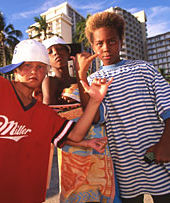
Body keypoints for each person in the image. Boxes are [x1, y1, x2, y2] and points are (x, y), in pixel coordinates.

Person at [0, 39, 111, 203]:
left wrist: (94, 101)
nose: (34, 71)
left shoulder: (44, 113)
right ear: (15, 68)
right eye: (27, 66)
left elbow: (76, 135)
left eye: (41, 67)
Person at [74, 11, 170, 203]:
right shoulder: (92, 80)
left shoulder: (142, 69)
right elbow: (95, 118)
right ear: (93, 46)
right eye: (99, 43)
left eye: (112, 41)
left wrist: (166, 144)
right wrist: (81, 77)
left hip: (154, 154)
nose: (106, 48)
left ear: (121, 40)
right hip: (124, 165)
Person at [42, 36, 121, 203]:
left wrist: (80, 76)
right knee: (78, 191)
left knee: (104, 186)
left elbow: (94, 111)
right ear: (46, 59)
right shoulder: (50, 82)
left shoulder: (85, 78)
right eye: (50, 52)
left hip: (98, 139)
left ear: (69, 53)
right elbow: (50, 120)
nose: (56, 53)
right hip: (73, 146)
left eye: (60, 49)